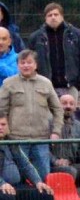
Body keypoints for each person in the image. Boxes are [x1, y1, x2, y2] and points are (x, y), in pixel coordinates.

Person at [0, 49, 63, 179]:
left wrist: (56, 131)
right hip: (16, 140)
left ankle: (42, 199)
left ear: (36, 65)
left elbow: (57, 109)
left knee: (43, 178)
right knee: (16, 178)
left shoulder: (46, 83)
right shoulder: (8, 83)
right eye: (22, 63)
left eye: (29, 62)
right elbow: (1, 110)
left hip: (41, 140)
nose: (26, 66)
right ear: (18, 65)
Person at [27, 2, 80, 100]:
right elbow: (30, 61)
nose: (53, 17)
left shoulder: (75, 34)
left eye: (56, 14)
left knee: (70, 115)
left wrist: (78, 83)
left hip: (70, 87)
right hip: (44, 87)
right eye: (49, 15)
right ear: (45, 18)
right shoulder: (36, 37)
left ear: (62, 16)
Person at [50, 92, 80, 184]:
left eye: (71, 104)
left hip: (71, 164)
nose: (68, 106)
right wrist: (55, 161)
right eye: (64, 103)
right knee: (70, 171)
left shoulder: (79, 126)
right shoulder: (48, 123)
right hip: (51, 165)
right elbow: (41, 149)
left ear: (75, 106)